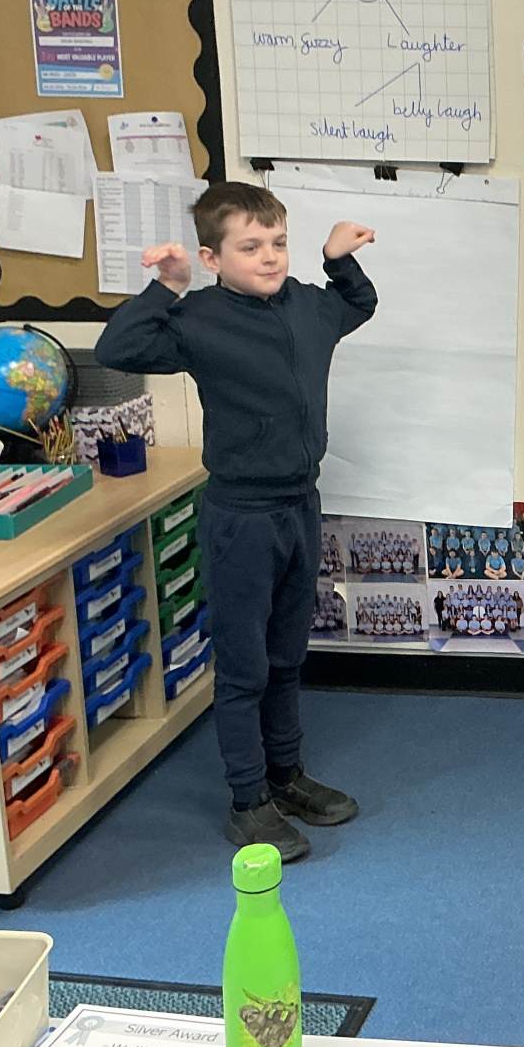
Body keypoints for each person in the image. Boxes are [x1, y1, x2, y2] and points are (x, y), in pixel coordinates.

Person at [95, 182, 376, 863]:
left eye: (278, 242)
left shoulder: (308, 304)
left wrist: (337, 259)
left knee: (287, 656)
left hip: (299, 506)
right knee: (245, 666)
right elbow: (118, 348)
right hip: (241, 516)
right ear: (212, 258)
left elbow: (358, 304)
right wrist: (167, 287)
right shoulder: (197, 318)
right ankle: (248, 800)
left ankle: (285, 775)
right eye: (250, 247)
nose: (270, 256)